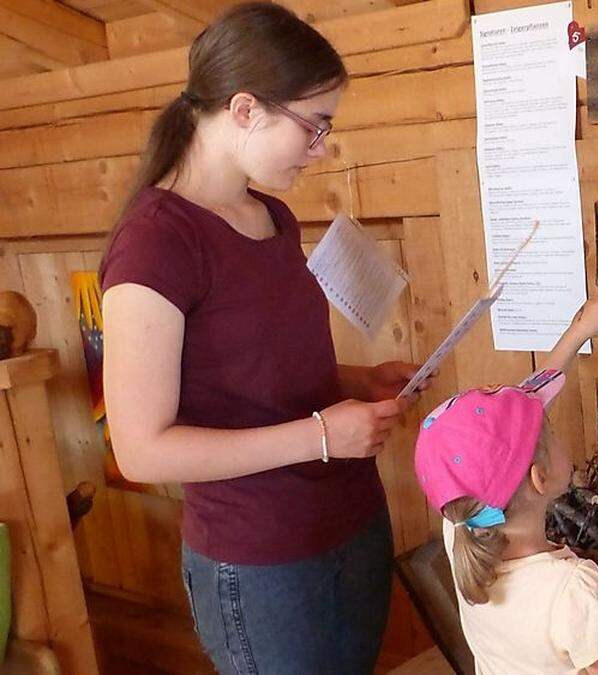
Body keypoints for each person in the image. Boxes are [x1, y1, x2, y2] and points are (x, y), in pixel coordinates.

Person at [99, 4, 420, 673]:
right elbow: (140, 449)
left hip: (351, 520)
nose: (322, 147)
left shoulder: (272, 215)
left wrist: (362, 382)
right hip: (259, 560)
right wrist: (322, 436)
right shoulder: (156, 243)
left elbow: (262, 372)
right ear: (244, 110)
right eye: (314, 125)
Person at [415, 269, 598, 674]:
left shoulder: (463, 529)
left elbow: (513, 435)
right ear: (539, 477)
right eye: (551, 432)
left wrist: (579, 333)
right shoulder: (571, 589)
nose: (552, 427)